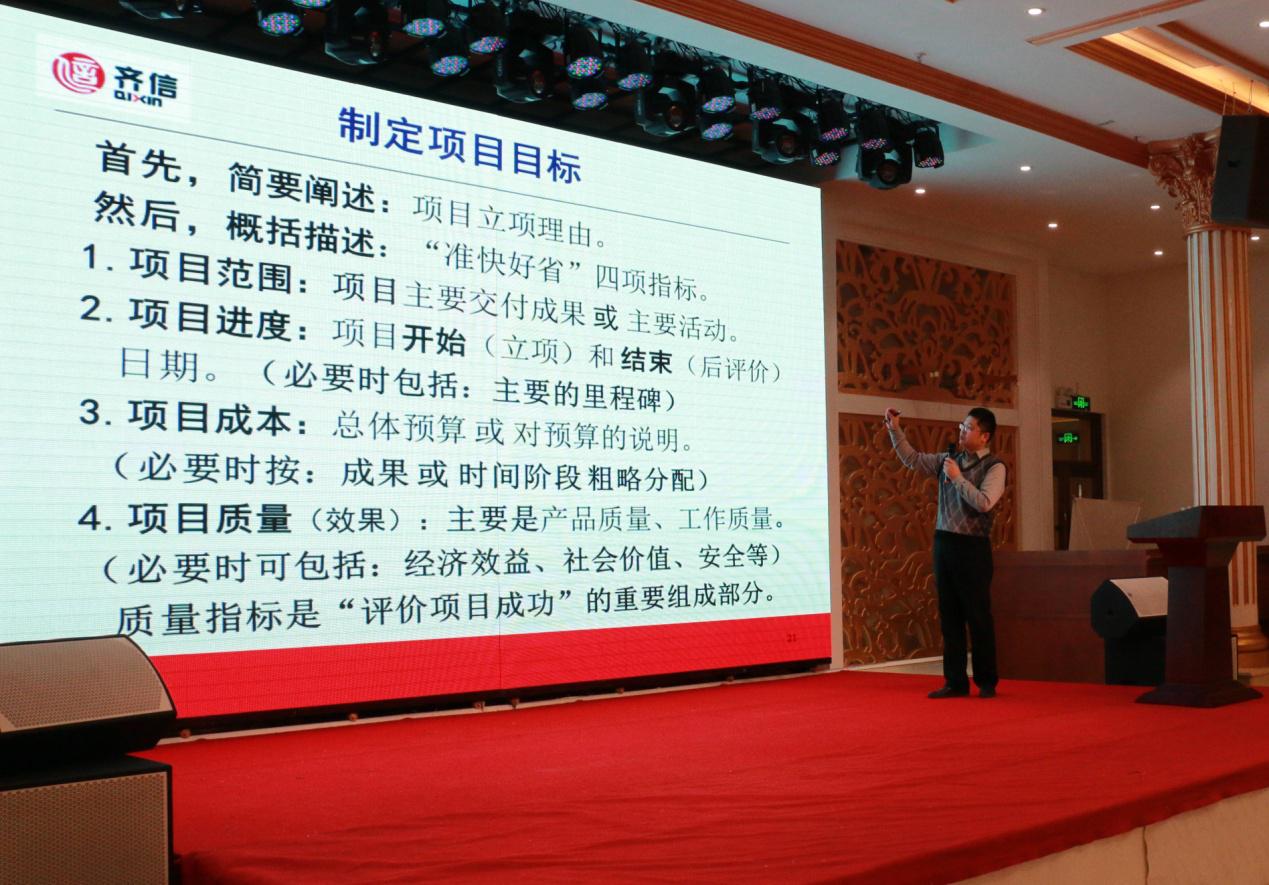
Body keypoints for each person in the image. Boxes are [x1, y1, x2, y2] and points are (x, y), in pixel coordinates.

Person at [883, 406, 1006, 698]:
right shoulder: (948, 460)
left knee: (977, 615)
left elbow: (985, 502)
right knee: (949, 616)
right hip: (944, 543)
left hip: (973, 547)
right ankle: (955, 681)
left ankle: (986, 681)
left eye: (969, 428)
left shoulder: (994, 466)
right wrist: (894, 429)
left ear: (985, 436)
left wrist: (958, 478)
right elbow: (912, 459)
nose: (962, 431)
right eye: (962, 426)